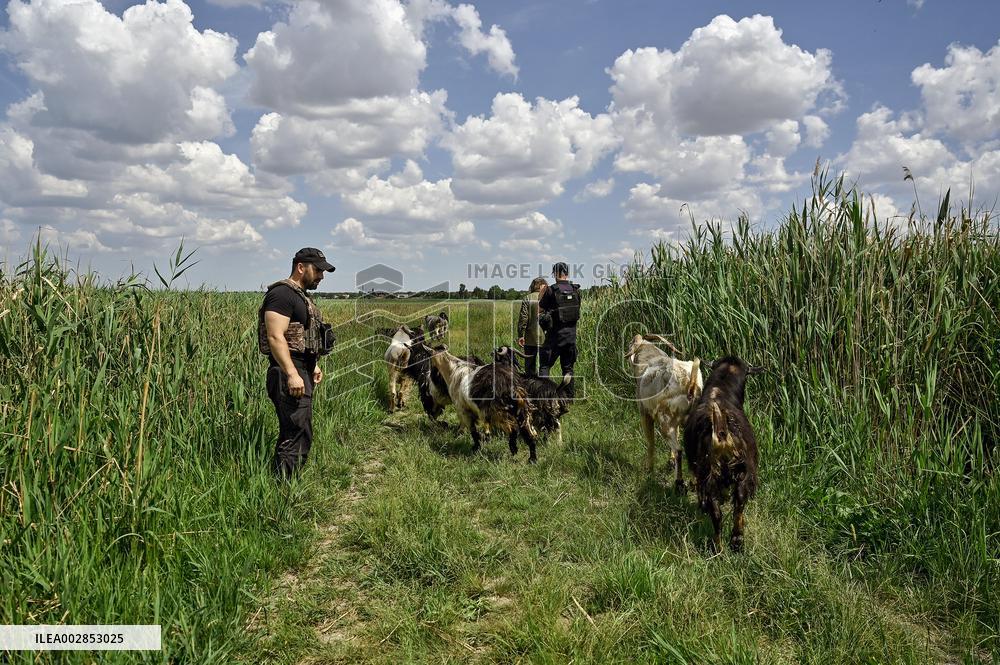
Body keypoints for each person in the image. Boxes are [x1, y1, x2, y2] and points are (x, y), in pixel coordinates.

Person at [257, 247, 336, 478]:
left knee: (298, 431)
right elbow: (275, 336)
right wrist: (292, 373)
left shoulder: (300, 295)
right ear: (301, 267)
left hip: (301, 369)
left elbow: (300, 337)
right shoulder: (281, 294)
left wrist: (313, 364)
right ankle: (284, 488)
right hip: (288, 373)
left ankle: (286, 483)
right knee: (296, 433)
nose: (321, 276)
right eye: (318, 270)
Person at [538, 262, 580, 394]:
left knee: (545, 366)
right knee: (568, 369)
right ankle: (569, 398)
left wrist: (541, 295)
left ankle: (544, 396)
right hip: (571, 337)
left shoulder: (551, 290)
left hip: (554, 337)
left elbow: (539, 309)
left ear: (555, 274)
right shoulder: (576, 290)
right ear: (567, 273)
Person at [517, 277, 547, 376]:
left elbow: (523, 318)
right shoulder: (548, 297)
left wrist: (521, 335)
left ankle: (530, 383)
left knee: (529, 366)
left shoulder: (527, 298)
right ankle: (543, 384)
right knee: (544, 366)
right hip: (546, 338)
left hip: (530, 337)